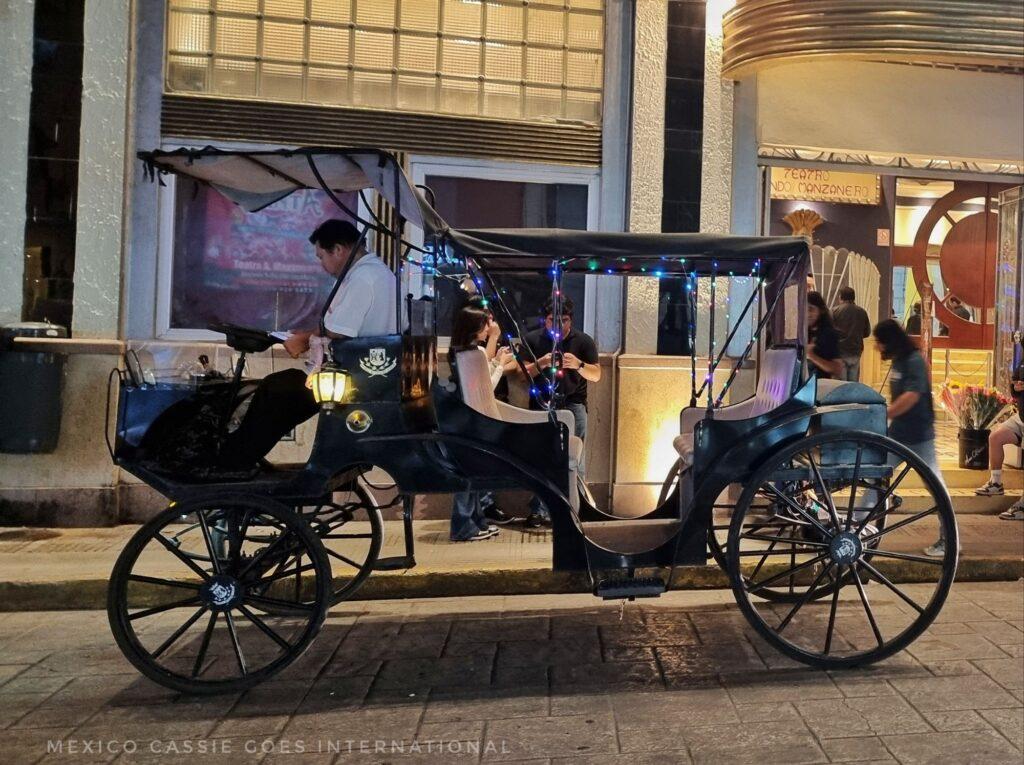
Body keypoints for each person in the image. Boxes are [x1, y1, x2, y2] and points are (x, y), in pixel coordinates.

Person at [222, 219, 396, 468]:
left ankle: (236, 462)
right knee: (279, 389)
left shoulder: (364, 277)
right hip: (361, 371)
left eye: (321, 256)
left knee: (276, 391)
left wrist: (303, 340)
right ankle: (245, 456)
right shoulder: (375, 272)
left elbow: (338, 330)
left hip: (353, 378)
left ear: (338, 249)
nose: (322, 265)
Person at [521, 297, 600, 528]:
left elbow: (596, 375)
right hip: (541, 405)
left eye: (564, 321)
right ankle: (539, 509)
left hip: (573, 404)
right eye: (552, 320)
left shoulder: (583, 341)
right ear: (544, 320)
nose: (558, 326)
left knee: (575, 460)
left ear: (570, 320)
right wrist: (542, 363)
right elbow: (520, 374)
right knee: (541, 458)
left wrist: (579, 365)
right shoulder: (533, 339)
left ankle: (577, 508)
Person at [872, 319, 948, 556]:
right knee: (874, 480)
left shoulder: (914, 360)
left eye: (879, 342)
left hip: (919, 436)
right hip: (898, 434)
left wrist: (886, 413)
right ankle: (858, 529)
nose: (877, 347)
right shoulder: (898, 360)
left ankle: (948, 539)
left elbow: (912, 395)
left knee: (937, 488)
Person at [447, 306, 518, 541]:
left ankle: (476, 521)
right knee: (469, 474)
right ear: (475, 327)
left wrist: (495, 361)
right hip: (472, 421)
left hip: (464, 419)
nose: (489, 328)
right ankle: (464, 526)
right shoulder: (473, 352)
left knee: (472, 474)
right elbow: (485, 387)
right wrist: (500, 363)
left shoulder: (460, 351)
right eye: (485, 324)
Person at [975, 362, 1024, 521]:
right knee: (995, 437)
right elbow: (1014, 390)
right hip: (1021, 418)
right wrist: (1016, 387)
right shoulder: (1022, 364)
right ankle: (995, 484)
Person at [832, 287, 871, 382]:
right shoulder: (862, 312)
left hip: (839, 352)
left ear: (840, 297)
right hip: (856, 352)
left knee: (840, 385)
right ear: (854, 297)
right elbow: (867, 332)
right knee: (853, 386)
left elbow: (830, 332)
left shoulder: (834, 311)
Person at [806, 291, 843, 379]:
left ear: (821, 310)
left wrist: (811, 355)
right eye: (804, 309)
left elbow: (837, 369)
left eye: (811, 309)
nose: (807, 314)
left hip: (821, 387)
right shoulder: (804, 332)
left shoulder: (829, 334)